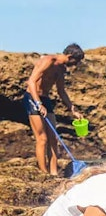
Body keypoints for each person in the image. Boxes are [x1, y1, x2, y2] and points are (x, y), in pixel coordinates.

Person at [24, 43, 85, 176]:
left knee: (54, 138)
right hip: (33, 97)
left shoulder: (61, 69)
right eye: (76, 61)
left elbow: (61, 91)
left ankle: (53, 173)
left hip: (45, 99)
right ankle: (43, 174)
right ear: (69, 56)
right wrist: (38, 103)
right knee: (42, 138)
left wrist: (72, 109)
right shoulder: (48, 61)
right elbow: (31, 81)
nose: (75, 65)